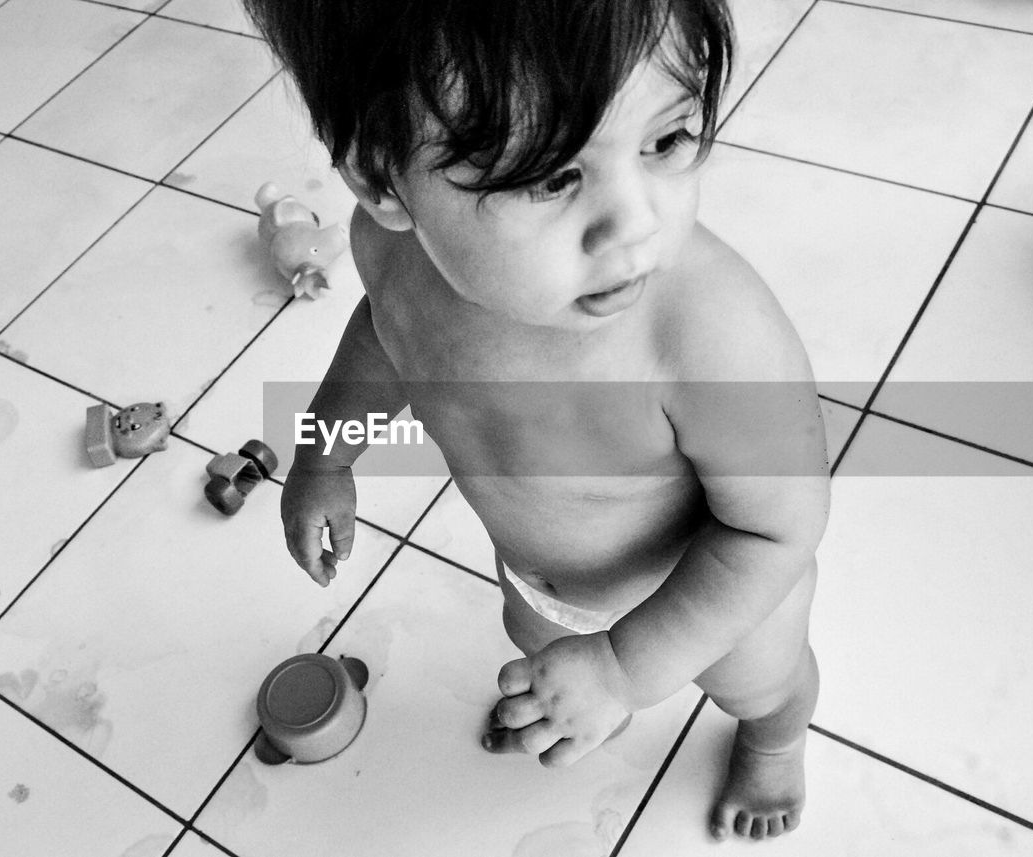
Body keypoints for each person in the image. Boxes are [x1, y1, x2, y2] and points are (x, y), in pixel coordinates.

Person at [247, 0, 830, 841]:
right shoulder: (396, 258)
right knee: (541, 645)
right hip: (539, 575)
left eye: (664, 139)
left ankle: (775, 742)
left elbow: (777, 533)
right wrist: (323, 460)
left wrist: (625, 667)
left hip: (715, 594)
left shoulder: (707, 334)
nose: (636, 224)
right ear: (383, 184)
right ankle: (585, 700)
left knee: (760, 680)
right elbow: (381, 336)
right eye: (553, 176)